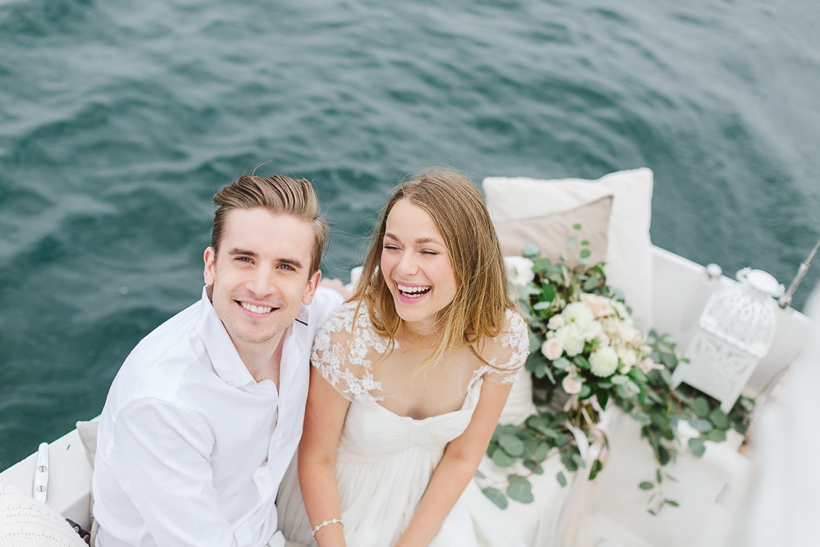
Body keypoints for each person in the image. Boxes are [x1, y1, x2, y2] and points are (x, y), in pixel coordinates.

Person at [277, 170, 531, 546]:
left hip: (424, 510)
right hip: (334, 513)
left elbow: (462, 457)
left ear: (470, 259)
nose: (403, 267)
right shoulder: (348, 337)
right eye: (393, 246)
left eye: (427, 251)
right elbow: (316, 460)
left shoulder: (502, 338)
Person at [92, 175, 344, 547]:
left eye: (285, 267)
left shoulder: (308, 320)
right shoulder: (163, 404)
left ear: (310, 285)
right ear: (211, 265)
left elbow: (348, 301)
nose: (261, 287)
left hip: (264, 533)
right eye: (245, 259)